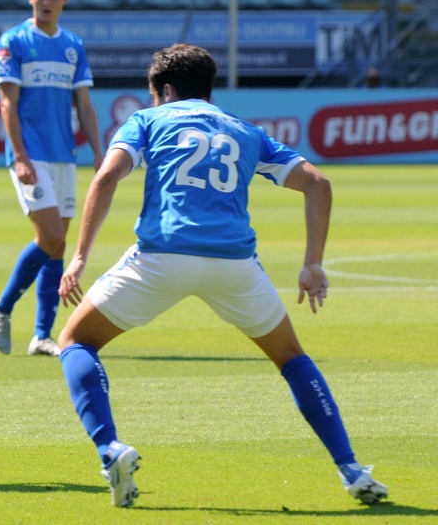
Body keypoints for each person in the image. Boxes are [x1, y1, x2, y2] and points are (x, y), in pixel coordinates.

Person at [56, 43, 389, 507]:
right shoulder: (246, 131)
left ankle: (110, 448)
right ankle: (351, 469)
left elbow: (107, 177)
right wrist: (312, 262)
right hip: (235, 266)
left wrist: (78, 259)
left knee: (76, 341)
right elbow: (318, 182)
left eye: (154, 93)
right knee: (292, 359)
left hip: (161, 257)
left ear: (165, 89)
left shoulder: (149, 121)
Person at [0, 0, 104, 357]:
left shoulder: (73, 44)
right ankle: (2, 306)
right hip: (30, 154)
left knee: (57, 245)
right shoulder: (14, 41)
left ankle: (41, 335)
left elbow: (84, 105)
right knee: (51, 235)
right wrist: (20, 156)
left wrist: (99, 151)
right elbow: (7, 103)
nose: (47, 2)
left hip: (63, 156)